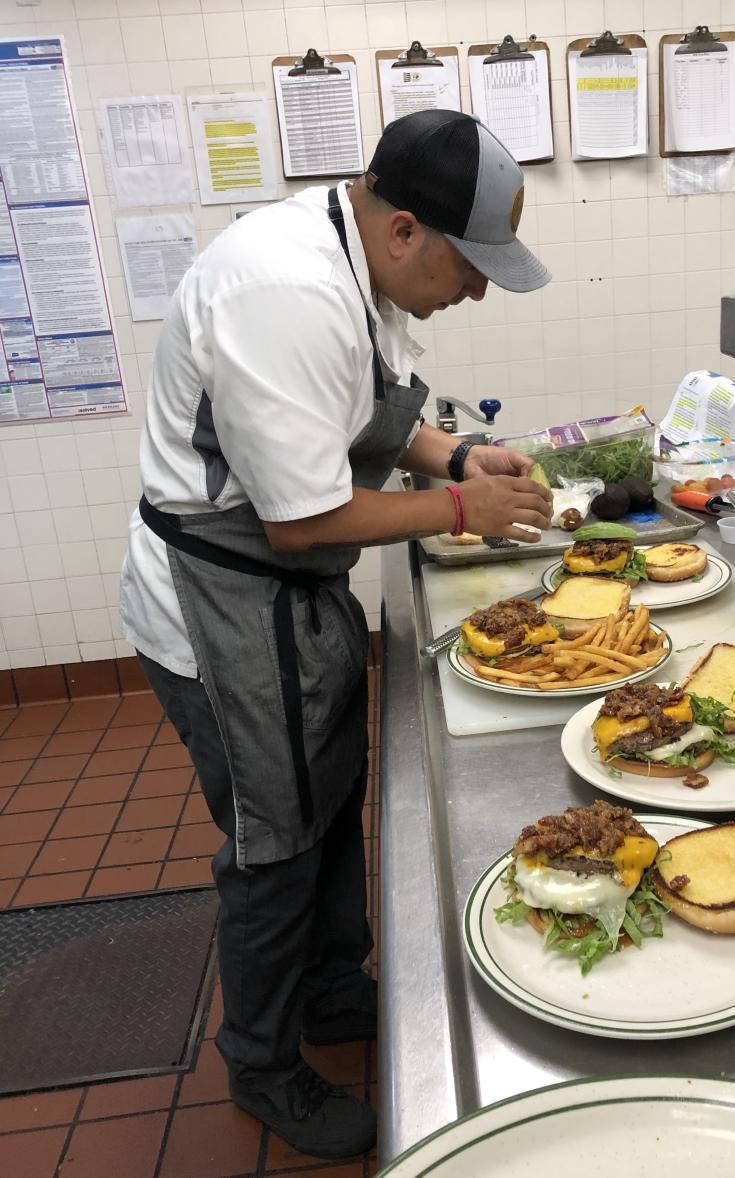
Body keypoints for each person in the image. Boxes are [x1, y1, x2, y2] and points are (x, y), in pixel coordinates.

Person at [119, 109, 553, 1160]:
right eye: (473, 264)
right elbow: (301, 516)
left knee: (329, 795)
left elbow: (372, 413)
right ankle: (262, 1062)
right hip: (222, 607)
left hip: (288, 600)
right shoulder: (285, 289)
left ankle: (328, 989)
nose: (480, 289)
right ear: (406, 230)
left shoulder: (350, 256)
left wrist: (456, 461)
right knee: (275, 846)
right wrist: (463, 515)